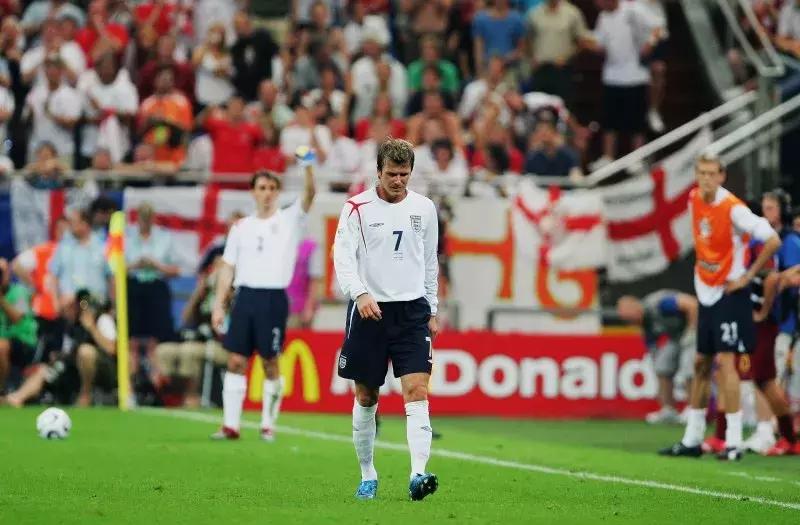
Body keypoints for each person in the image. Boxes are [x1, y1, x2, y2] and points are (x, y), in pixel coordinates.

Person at [333, 138, 440, 500]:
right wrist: (359, 292)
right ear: (378, 171)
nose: (398, 181)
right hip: (370, 310)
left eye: (404, 174)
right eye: (392, 174)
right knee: (366, 396)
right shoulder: (356, 208)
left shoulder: (424, 209)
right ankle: (368, 474)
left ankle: (417, 475)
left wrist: (433, 308)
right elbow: (343, 259)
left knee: (417, 390)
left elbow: (429, 261)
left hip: (411, 312)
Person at [659, 153, 781, 461]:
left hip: (730, 292)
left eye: (712, 173)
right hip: (706, 291)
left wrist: (747, 276)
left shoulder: (733, 208)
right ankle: (692, 438)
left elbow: (772, 239)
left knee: (726, 363)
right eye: (701, 173)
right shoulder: (693, 199)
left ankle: (733, 442)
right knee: (701, 362)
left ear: (722, 176)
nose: (706, 179)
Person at [210, 157, 316, 441]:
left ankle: (268, 423)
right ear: (253, 192)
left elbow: (309, 194)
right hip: (245, 297)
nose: (267, 193)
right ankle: (231, 425)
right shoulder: (241, 227)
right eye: (262, 187)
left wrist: (307, 167)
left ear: (277, 192)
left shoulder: (289, 219)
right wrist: (219, 305)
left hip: (272, 298)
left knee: (270, 361)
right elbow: (228, 268)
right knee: (235, 360)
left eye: (271, 188)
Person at [616, 291, 697, 424]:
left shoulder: (660, 304)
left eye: (629, 318)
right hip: (676, 336)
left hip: (694, 330)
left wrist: (692, 331)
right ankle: (668, 410)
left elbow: (692, 305)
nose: (629, 322)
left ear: (635, 307)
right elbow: (652, 346)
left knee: (689, 368)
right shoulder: (644, 322)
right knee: (662, 366)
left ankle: (694, 410)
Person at [125, 202, 179, 388]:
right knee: (131, 341)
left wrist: (157, 266)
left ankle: (155, 385)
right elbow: (115, 268)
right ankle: (130, 385)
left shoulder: (164, 237)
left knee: (154, 342)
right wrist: (135, 265)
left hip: (156, 288)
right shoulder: (127, 237)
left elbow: (175, 270)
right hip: (133, 288)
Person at [0, 257, 39, 393]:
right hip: (4, 342)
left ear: (8, 273)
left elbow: (17, 317)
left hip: (23, 342)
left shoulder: (20, 292)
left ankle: (2, 389)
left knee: (1, 346)